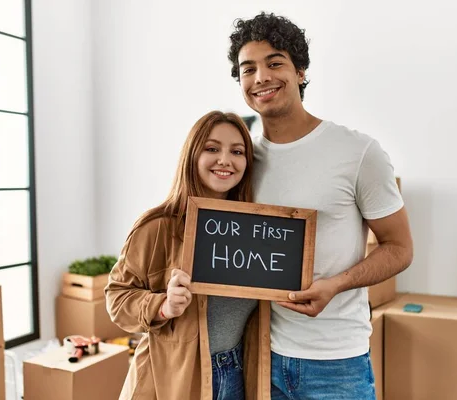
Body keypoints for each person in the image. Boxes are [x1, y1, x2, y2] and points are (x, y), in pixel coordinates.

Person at [228, 12, 414, 399]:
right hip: (262, 354)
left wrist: (336, 284)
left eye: (275, 62)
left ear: (301, 71)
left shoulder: (358, 151)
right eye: (249, 69)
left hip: (337, 363)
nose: (261, 77)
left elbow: (400, 248)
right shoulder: (241, 162)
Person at [105, 110, 271, 400]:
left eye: (237, 151)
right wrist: (163, 306)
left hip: (236, 372)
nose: (224, 160)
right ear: (192, 155)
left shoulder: (256, 230)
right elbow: (117, 298)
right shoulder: (157, 226)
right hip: (175, 378)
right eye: (212, 148)